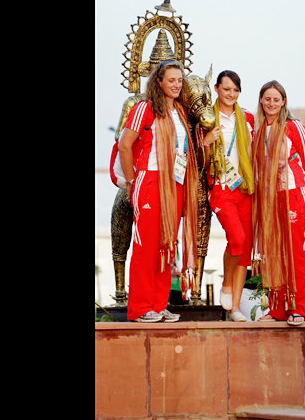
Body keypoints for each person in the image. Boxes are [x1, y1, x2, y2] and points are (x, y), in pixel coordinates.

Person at [118, 59, 200, 322]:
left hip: (174, 183)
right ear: (159, 82)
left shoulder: (179, 111)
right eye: (171, 80)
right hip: (150, 181)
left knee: (167, 245)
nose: (176, 85)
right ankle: (141, 308)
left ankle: (158, 303)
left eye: (179, 80)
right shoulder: (145, 108)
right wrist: (132, 181)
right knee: (146, 247)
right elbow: (124, 145)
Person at [251, 80, 305, 326]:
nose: (271, 104)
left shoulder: (293, 126)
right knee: (274, 253)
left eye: (276, 99)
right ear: (261, 100)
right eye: (267, 99)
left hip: (293, 193)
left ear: (284, 102)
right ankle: (278, 308)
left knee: (297, 253)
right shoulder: (259, 131)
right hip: (269, 198)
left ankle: (300, 308)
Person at [201, 70, 255, 322]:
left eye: (235, 90)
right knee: (237, 238)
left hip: (245, 188)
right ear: (216, 89)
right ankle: (226, 286)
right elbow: (197, 163)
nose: (231, 94)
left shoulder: (248, 120)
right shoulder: (206, 120)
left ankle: (234, 307)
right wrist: (206, 142)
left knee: (244, 248)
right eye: (226, 89)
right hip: (222, 188)